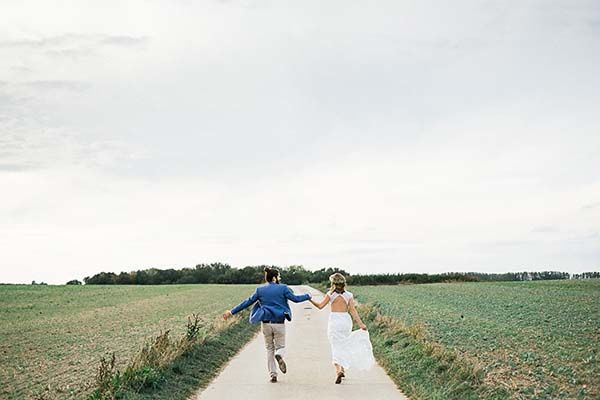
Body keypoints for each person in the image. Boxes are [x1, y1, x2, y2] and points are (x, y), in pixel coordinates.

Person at [223, 267, 312, 383]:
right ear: (274, 277)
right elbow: (295, 299)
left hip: (266, 324)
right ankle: (279, 355)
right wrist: (308, 296)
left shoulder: (260, 290)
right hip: (279, 323)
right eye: (279, 276)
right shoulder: (283, 288)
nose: (279, 278)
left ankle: (273, 375)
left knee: (269, 348)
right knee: (281, 347)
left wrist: (231, 312)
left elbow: (247, 302)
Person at [310, 272, 375, 384]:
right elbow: (353, 311)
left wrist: (309, 299)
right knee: (343, 344)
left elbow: (320, 306)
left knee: (335, 345)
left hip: (334, 321)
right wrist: (361, 324)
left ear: (333, 283)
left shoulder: (330, 294)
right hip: (345, 321)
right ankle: (343, 368)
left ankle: (338, 370)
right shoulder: (349, 295)